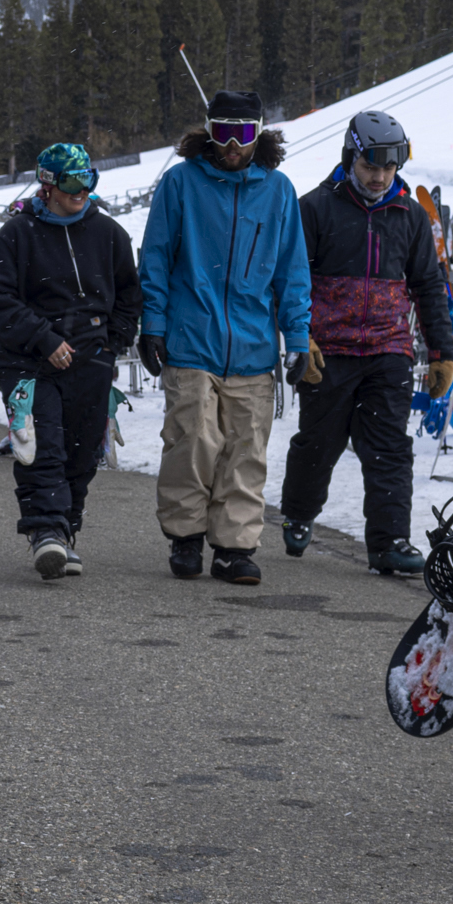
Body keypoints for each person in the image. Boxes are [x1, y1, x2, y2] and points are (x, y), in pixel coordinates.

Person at [137, 89, 311, 587]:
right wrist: (153, 325)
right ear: (209, 131)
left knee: (245, 448)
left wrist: (297, 336)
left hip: (254, 345)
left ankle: (234, 547)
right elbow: (156, 258)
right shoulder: (181, 184)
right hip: (192, 337)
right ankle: (186, 536)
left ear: (259, 133)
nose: (233, 145)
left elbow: (292, 272)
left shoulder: (278, 192)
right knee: (193, 440)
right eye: (223, 132)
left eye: (244, 133)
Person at [277, 109, 453, 572]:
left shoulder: (410, 216)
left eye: (389, 168)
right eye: (370, 167)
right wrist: (301, 338)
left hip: (388, 350)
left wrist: (442, 353)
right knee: (319, 444)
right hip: (328, 352)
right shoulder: (314, 207)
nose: (379, 177)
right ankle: (298, 512)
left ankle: (389, 541)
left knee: (389, 448)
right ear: (350, 158)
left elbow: (429, 286)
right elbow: (290, 278)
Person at [0, 143, 142, 580]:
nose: (82, 191)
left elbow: (130, 295)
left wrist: (113, 342)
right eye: (73, 182)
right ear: (49, 184)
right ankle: (45, 532)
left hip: (91, 355)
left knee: (83, 449)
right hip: (28, 360)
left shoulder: (110, 235)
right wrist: (42, 337)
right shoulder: (15, 235)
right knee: (45, 444)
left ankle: (65, 528)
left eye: (88, 180)